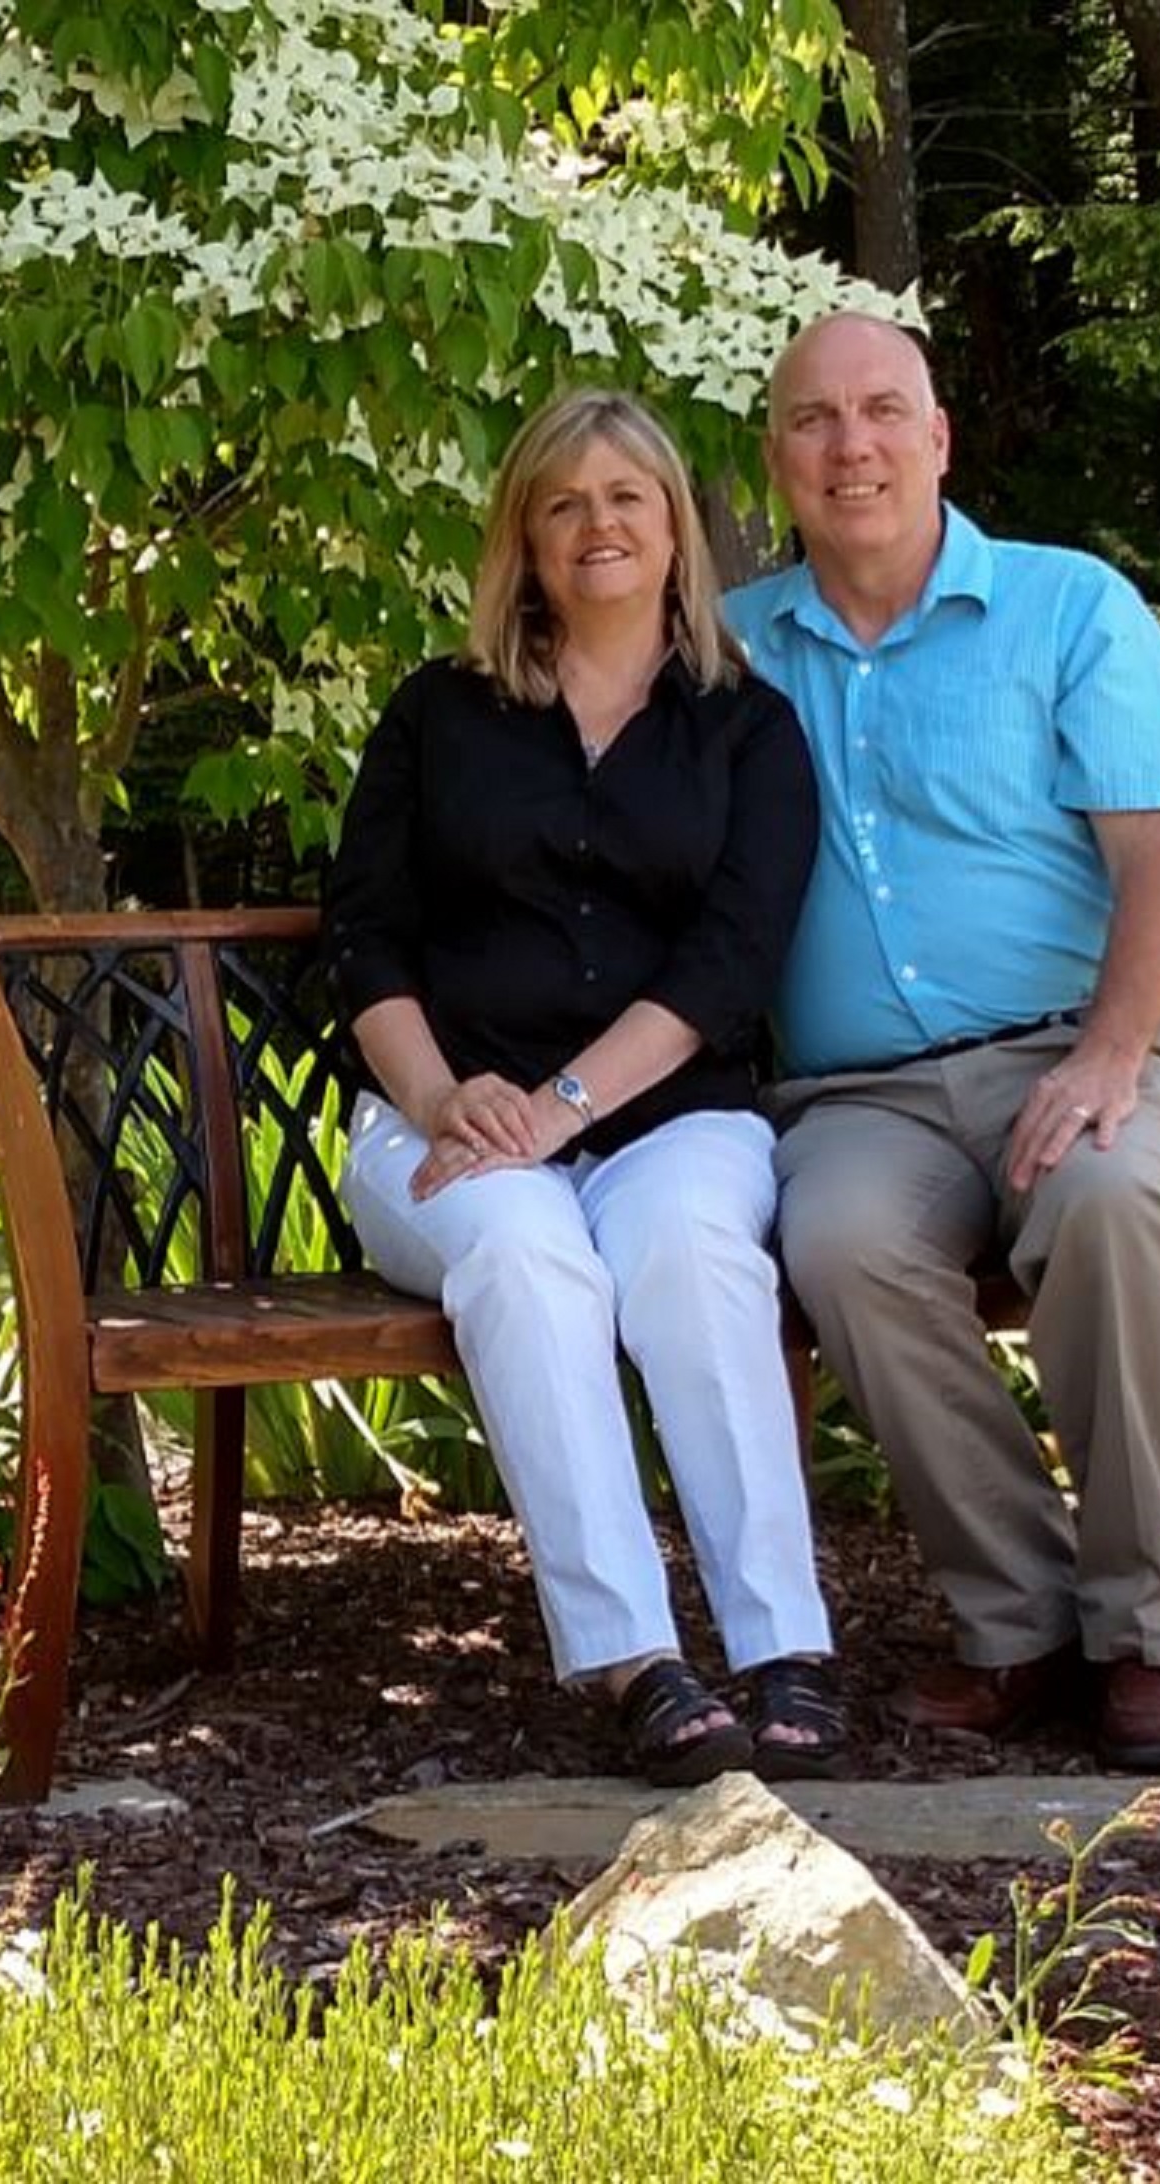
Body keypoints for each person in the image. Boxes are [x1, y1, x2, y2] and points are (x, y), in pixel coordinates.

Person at [323, 387, 844, 1787]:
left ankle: (783, 1646)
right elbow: (365, 935)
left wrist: (558, 1104)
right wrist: (447, 1104)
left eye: (627, 497)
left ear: (678, 527)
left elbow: (732, 962)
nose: (598, 525)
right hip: (437, 1126)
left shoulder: (749, 729)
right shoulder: (439, 715)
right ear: (526, 542)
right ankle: (634, 1659)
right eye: (564, 503)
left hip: (672, 1120)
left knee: (690, 1257)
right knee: (528, 1256)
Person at [728, 312, 1160, 1772]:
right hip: (857, 1096)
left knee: (1119, 1201)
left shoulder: (1073, 610)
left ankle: (1146, 1635)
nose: (851, 445)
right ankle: (1019, 1625)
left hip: (1080, 1045)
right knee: (840, 1244)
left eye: (883, 410)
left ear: (941, 438)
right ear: (777, 458)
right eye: (813, 419)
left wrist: (1113, 1055)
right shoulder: (732, 649)